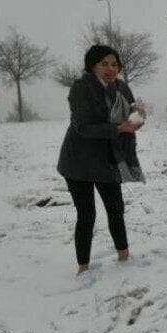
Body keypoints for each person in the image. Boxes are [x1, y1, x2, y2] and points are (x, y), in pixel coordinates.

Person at [57, 45, 146, 275]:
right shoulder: (81, 88)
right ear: (92, 65)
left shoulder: (122, 86)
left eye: (114, 64)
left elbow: (130, 114)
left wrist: (138, 116)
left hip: (108, 158)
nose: (110, 69)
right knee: (87, 214)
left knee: (116, 208)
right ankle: (83, 268)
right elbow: (82, 127)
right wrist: (119, 129)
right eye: (104, 64)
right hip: (79, 161)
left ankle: (124, 257)